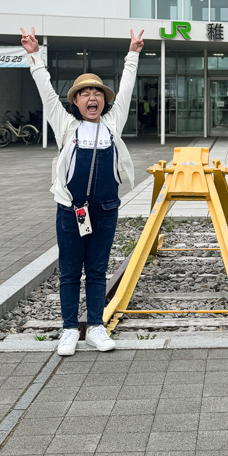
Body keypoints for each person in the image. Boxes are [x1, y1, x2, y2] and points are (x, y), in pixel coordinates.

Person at [20, 26, 144, 356]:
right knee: (71, 272)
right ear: (75, 101)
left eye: (97, 93)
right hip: (70, 210)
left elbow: (127, 87)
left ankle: (96, 328)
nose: (92, 97)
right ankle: (69, 330)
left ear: (104, 100)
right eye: (85, 93)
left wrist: (132, 54)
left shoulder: (112, 124)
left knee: (98, 270)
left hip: (105, 208)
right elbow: (46, 91)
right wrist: (34, 56)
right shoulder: (66, 125)